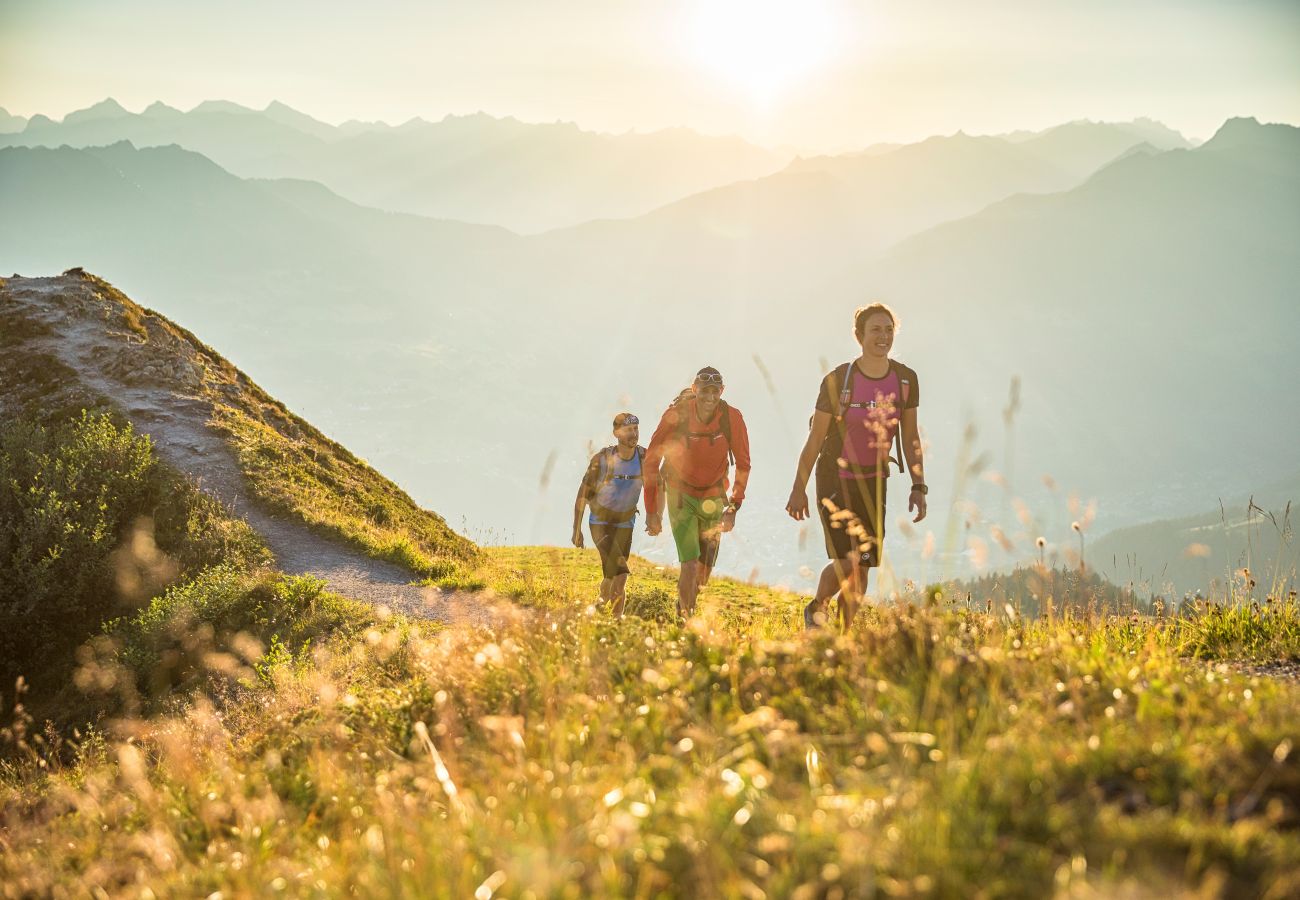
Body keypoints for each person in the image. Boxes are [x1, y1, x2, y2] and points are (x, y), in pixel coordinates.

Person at [786, 303, 927, 631]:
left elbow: (910, 437)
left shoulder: (906, 380)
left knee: (862, 569)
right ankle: (817, 607)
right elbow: (815, 438)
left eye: (889, 329)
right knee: (848, 559)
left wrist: (919, 485)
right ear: (859, 336)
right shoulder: (838, 380)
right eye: (875, 329)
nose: (883, 336)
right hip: (834, 476)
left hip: (875, 480)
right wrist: (798, 488)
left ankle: (845, 638)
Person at [644, 367, 751, 619]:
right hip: (681, 495)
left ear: (722, 391)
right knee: (689, 564)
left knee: (702, 575)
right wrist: (651, 511)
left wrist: (734, 506)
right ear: (694, 390)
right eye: (704, 391)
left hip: (714, 498)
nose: (709, 397)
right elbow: (651, 461)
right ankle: (686, 625)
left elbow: (744, 464)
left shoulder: (731, 417)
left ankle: (684, 605)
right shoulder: (676, 415)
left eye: (715, 391)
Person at [572, 413, 646, 617]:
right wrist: (576, 529)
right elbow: (583, 494)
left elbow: (656, 487)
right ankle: (616, 624)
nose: (634, 433)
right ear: (617, 433)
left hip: (626, 523)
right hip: (600, 523)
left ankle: (601, 601)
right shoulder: (602, 459)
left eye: (636, 429)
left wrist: (655, 515)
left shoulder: (644, 457)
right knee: (621, 575)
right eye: (629, 430)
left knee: (611, 576)